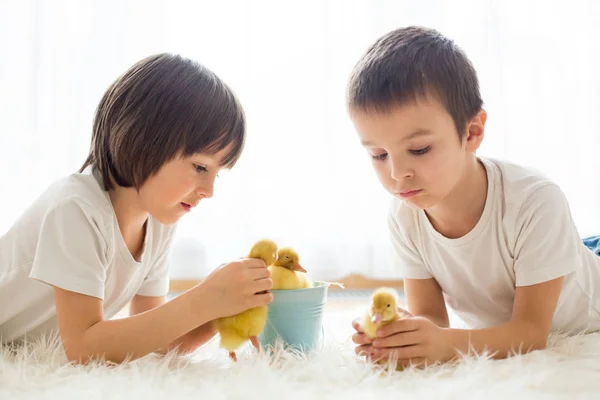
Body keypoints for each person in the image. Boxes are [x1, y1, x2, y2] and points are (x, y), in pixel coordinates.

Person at [347, 26, 600, 367]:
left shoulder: (535, 200)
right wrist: (401, 337)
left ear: (472, 132)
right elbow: (433, 323)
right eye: (379, 155)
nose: (397, 173)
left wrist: (442, 344)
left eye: (419, 149)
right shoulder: (405, 214)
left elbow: (530, 333)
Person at [0, 53, 273, 364]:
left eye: (216, 174)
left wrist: (218, 311)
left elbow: (155, 340)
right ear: (144, 139)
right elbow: (83, 348)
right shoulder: (75, 209)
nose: (209, 191)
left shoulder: (159, 221)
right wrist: (203, 299)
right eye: (200, 166)